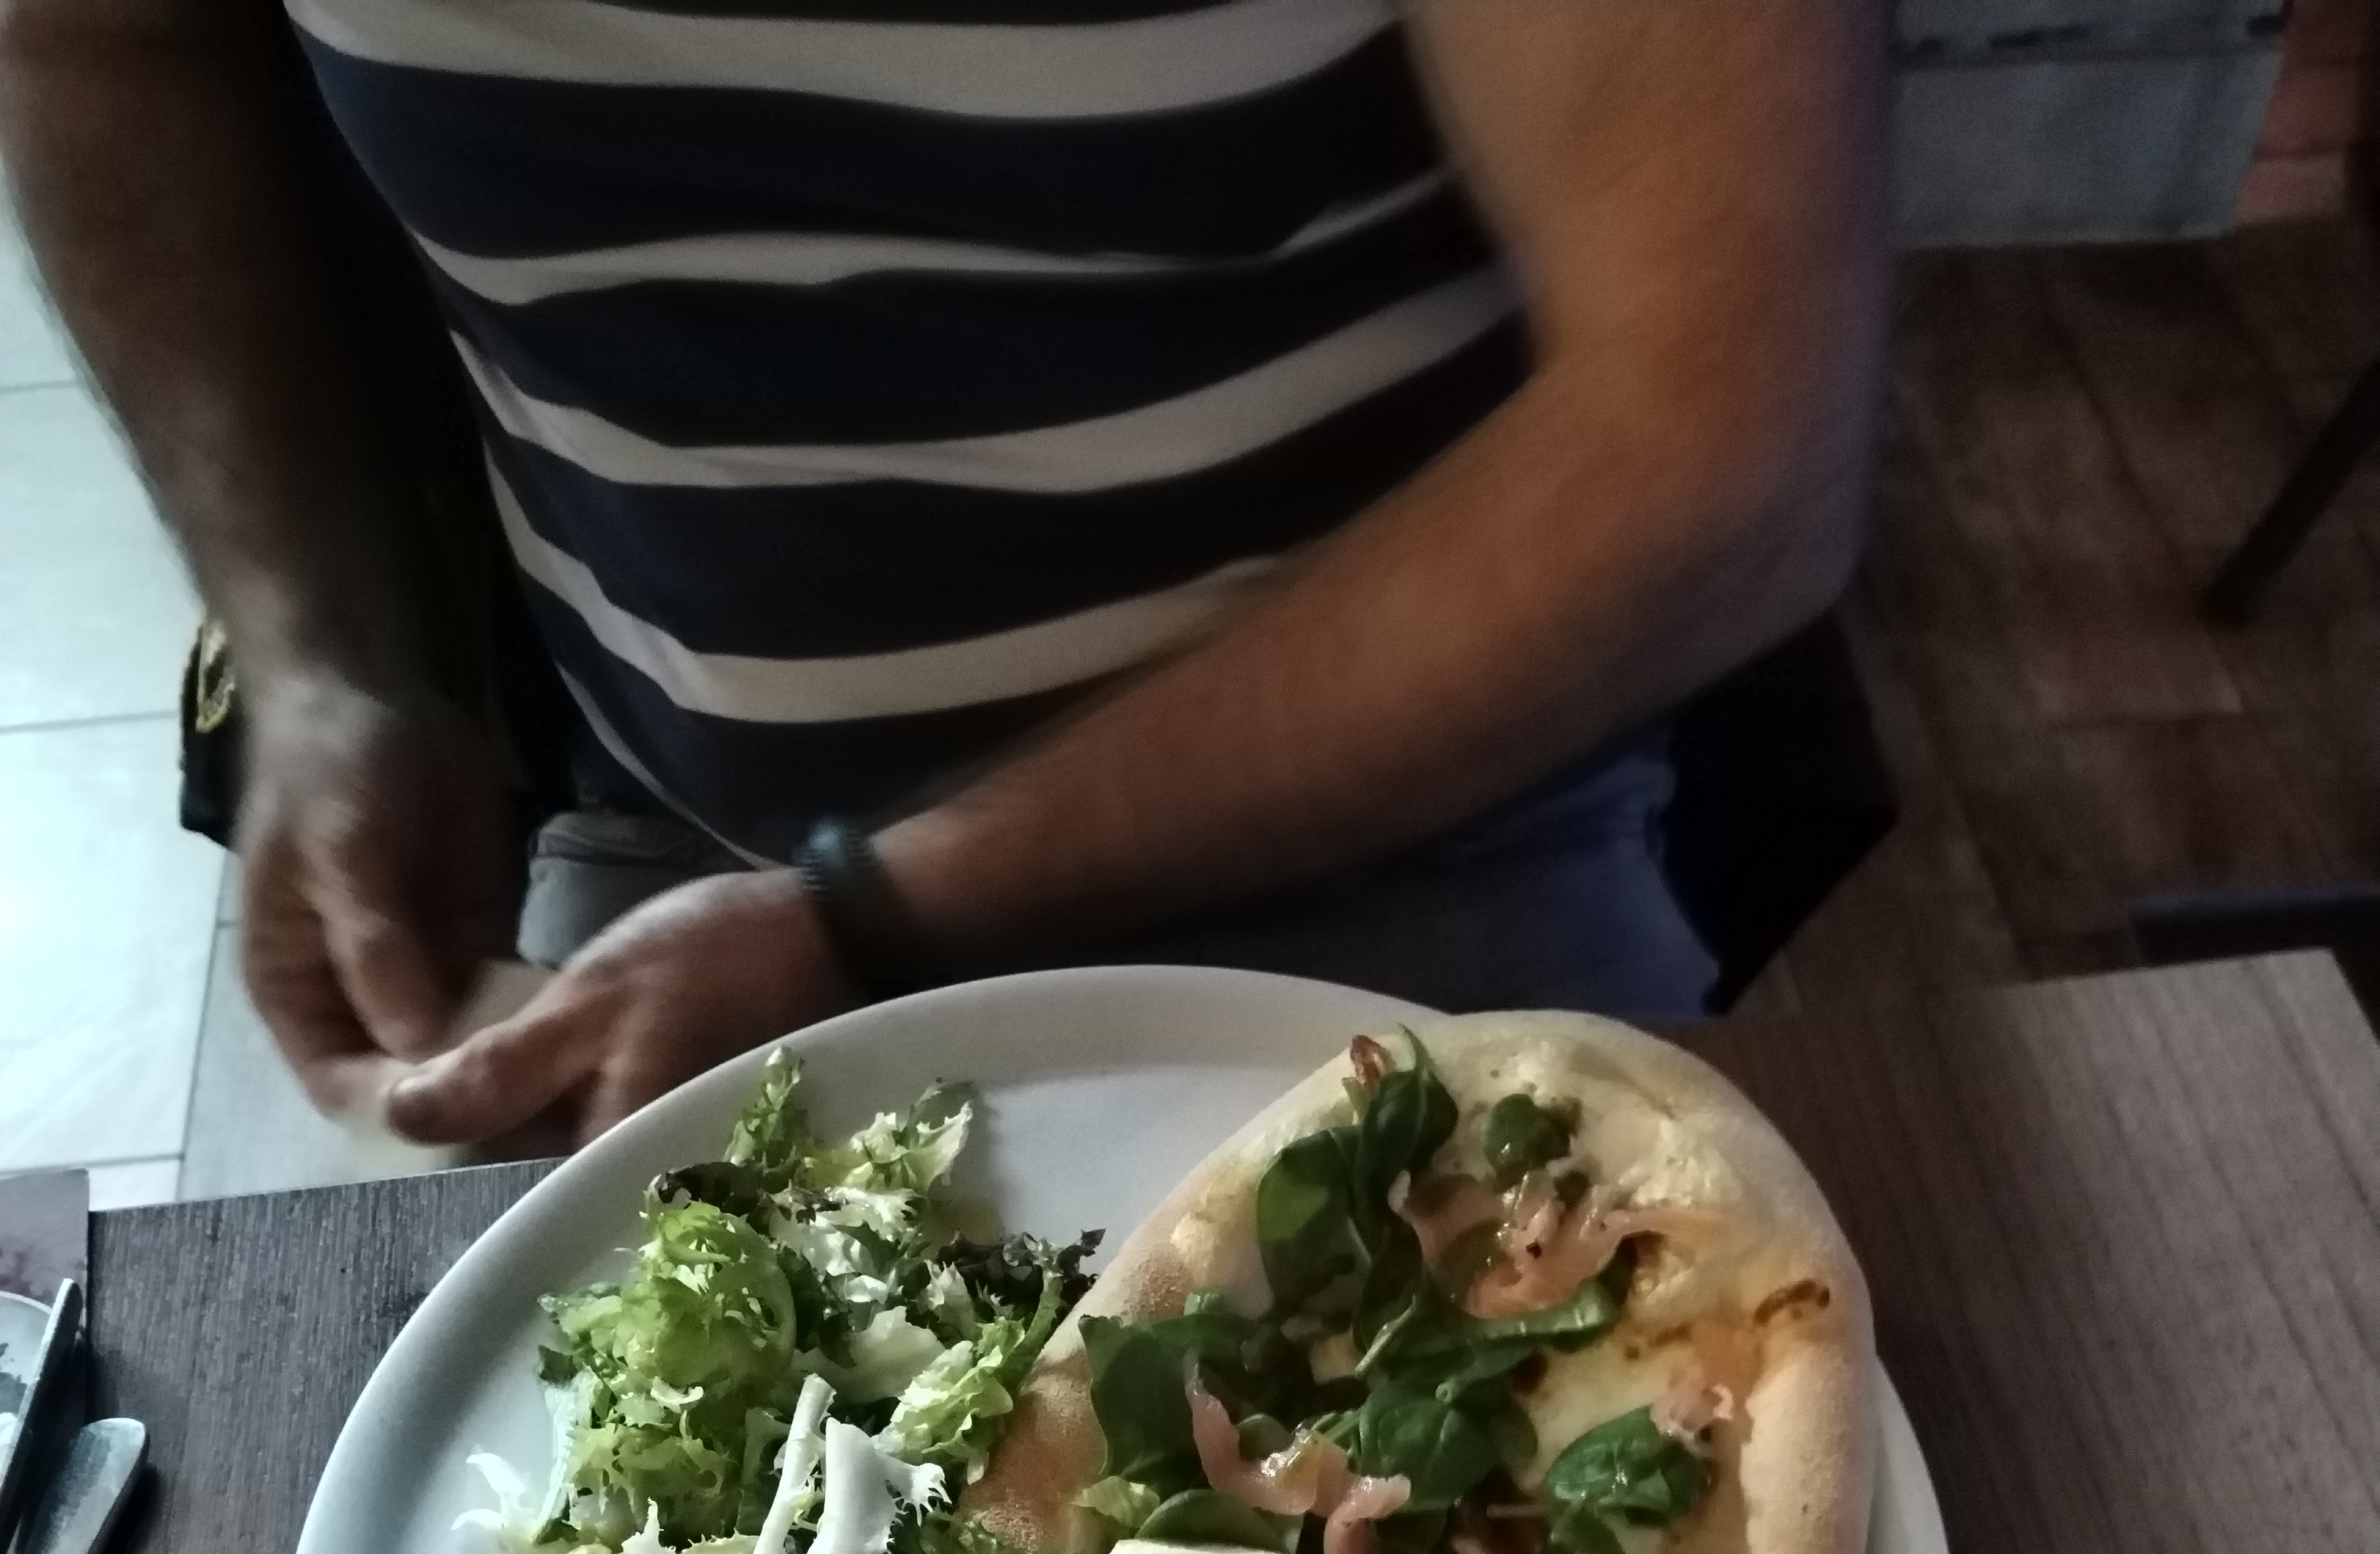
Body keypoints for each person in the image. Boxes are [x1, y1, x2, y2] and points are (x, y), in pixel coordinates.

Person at [0, 0, 1888, 1148]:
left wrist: (878, 917)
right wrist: (324, 652)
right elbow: (105, 44)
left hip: (1426, 839)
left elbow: (1718, 447)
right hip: (679, 855)